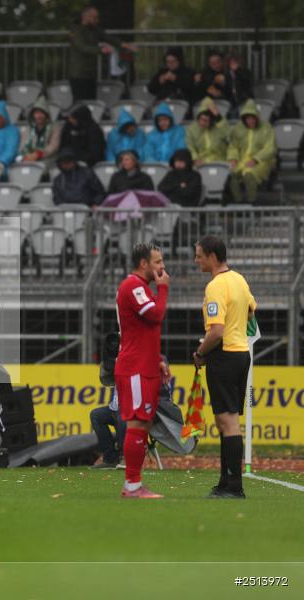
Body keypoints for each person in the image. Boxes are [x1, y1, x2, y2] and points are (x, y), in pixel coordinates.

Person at [193, 236, 257, 499]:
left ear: (211, 256)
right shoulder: (239, 279)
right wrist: (237, 326)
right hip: (241, 353)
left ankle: (234, 487)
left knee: (228, 422)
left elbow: (216, 331)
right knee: (226, 421)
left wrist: (200, 352)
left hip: (225, 356)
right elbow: (253, 309)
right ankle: (224, 482)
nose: (196, 260)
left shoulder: (216, 286)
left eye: (198, 255)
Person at [114, 243, 170, 498]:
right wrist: (164, 288)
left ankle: (134, 485)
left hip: (144, 365)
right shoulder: (133, 286)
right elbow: (156, 315)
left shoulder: (140, 288)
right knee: (137, 422)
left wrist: (157, 358)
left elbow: (143, 330)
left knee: (143, 423)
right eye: (157, 262)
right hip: (134, 367)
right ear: (144, 264)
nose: (162, 267)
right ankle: (132, 486)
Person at [67, 6, 134, 102]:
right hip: (79, 73)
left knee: (91, 100)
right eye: (95, 18)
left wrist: (123, 44)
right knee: (79, 102)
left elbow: (107, 37)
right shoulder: (76, 30)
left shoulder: (95, 29)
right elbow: (82, 47)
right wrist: (101, 50)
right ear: (85, 17)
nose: (97, 20)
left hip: (91, 73)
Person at [227, 100, 276, 204]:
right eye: (248, 119)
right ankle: (238, 202)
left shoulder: (266, 127)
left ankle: (251, 202)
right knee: (232, 175)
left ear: (257, 117)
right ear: (244, 119)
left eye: (253, 118)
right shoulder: (238, 129)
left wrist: (256, 159)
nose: (251, 121)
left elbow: (270, 148)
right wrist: (233, 158)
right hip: (242, 161)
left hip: (262, 162)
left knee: (249, 175)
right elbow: (233, 146)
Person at [19, 96, 61, 169]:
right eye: (36, 113)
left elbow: (53, 147)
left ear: (46, 115)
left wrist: (39, 154)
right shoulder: (27, 129)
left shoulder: (55, 128)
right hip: (29, 158)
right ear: (33, 115)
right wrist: (27, 156)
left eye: (42, 113)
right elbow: (22, 146)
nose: (39, 116)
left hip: (48, 159)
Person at [186, 97, 229, 166]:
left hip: (220, 161)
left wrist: (218, 117)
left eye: (206, 121)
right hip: (201, 162)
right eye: (201, 119)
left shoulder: (219, 125)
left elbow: (229, 135)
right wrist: (195, 158)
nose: (202, 123)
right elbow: (189, 146)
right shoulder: (191, 129)